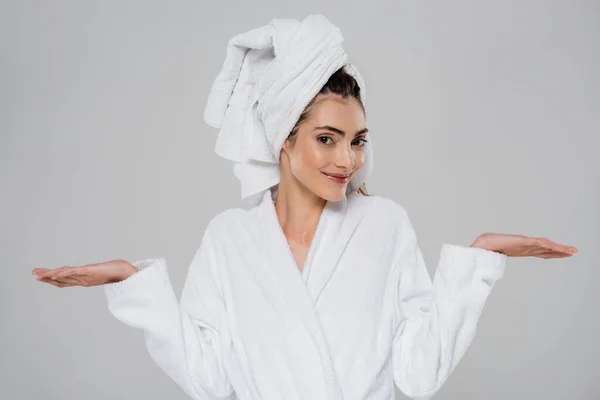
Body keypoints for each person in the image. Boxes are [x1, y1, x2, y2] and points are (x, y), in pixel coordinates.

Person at [32, 15, 577, 400]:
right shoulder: (229, 239)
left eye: (358, 140)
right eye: (327, 138)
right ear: (283, 140)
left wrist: (475, 265)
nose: (348, 159)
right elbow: (209, 381)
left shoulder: (385, 225)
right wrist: (136, 287)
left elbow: (418, 375)